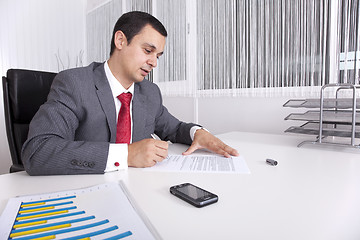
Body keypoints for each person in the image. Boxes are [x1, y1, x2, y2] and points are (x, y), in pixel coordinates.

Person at [21, 11, 239, 175]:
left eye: (158, 55)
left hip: (139, 192)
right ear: (120, 41)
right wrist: (126, 155)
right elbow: (37, 151)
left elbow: (174, 128)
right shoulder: (74, 83)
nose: (153, 62)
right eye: (148, 51)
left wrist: (197, 133)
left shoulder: (149, 92)